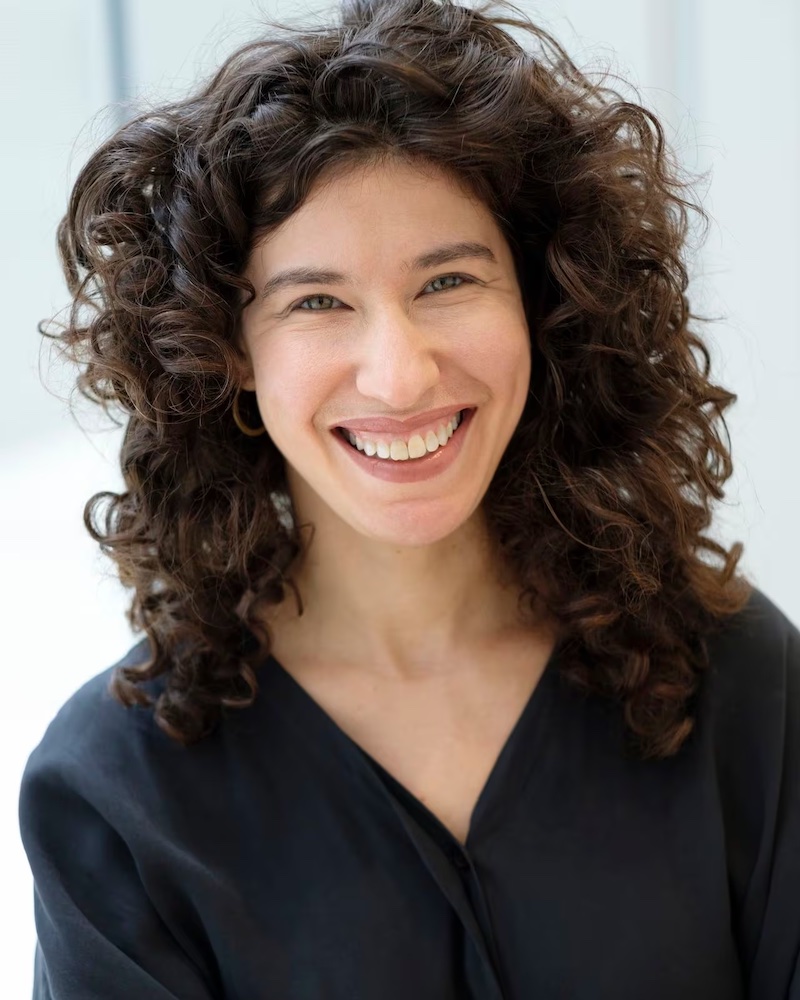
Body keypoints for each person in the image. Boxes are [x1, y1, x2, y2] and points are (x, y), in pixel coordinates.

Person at [18, 0, 800, 996]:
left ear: (545, 309)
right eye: (316, 301)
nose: (398, 375)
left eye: (447, 282)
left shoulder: (730, 680)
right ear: (228, 357)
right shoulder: (115, 799)